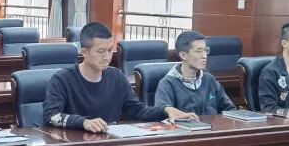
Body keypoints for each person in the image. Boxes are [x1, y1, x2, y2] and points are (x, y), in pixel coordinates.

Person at [42, 22, 194, 133]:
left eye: (110, 50)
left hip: (109, 140)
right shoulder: (62, 79)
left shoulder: (116, 76)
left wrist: (166, 110)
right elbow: (50, 115)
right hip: (76, 145)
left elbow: (137, 110)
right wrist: (83, 122)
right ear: (85, 53)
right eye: (100, 51)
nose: (106, 57)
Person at [154, 31, 236, 117]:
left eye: (205, 50)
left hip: (212, 125)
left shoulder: (209, 79)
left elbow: (230, 109)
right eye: (199, 51)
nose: (204, 56)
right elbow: (162, 112)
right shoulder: (168, 83)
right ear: (183, 55)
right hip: (185, 125)